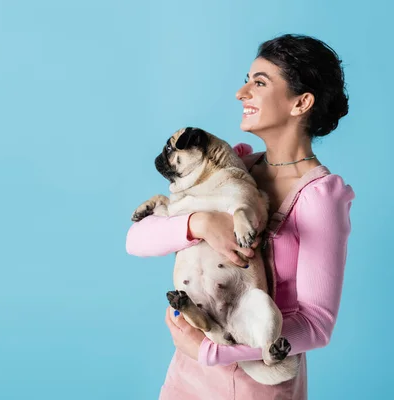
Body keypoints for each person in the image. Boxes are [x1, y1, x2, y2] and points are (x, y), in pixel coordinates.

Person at [125, 34, 355, 399]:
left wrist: (212, 350)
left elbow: (316, 325)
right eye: (247, 78)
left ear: (301, 102)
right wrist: (198, 224)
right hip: (185, 378)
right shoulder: (235, 166)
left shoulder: (319, 197)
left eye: (259, 82)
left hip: (255, 387)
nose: (241, 92)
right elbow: (136, 239)